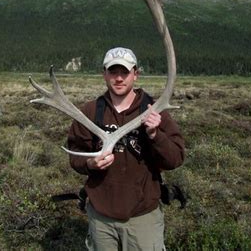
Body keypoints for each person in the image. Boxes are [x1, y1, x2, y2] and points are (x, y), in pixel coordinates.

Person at [67, 47, 185, 250]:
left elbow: (175, 159)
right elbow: (74, 154)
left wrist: (156, 135)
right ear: (104, 74)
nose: (119, 78)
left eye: (125, 72)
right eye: (113, 72)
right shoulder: (90, 111)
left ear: (135, 74)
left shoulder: (154, 110)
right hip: (101, 217)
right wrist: (90, 163)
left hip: (142, 218)